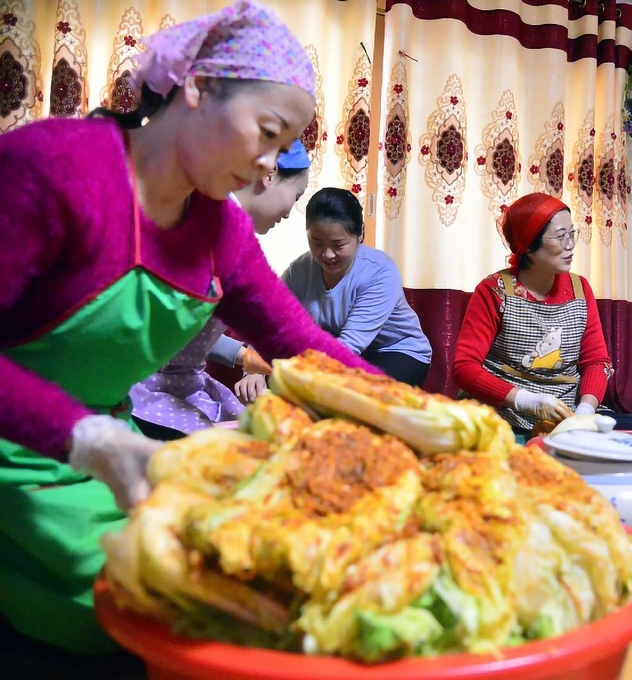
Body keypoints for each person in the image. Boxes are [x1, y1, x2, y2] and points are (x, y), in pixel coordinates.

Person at [0, 1, 380, 655]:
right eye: (267, 132)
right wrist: (85, 438)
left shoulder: (219, 228)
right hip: (21, 459)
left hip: (106, 455)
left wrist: (432, 420)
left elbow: (304, 345)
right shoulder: (56, 168)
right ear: (198, 88)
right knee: (180, 604)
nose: (269, 166)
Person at [129, 139, 310, 439]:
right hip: (145, 389)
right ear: (269, 174)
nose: (291, 212)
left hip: (185, 385)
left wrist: (246, 357)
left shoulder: (230, 234)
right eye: (297, 195)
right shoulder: (211, 233)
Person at [453, 192, 632, 439]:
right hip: (502, 409)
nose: (570, 245)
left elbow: (596, 361)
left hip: (565, 411)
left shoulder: (580, 289)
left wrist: (585, 410)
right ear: (529, 247)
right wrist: (526, 401)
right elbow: (464, 368)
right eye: (560, 236)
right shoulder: (494, 290)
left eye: (572, 234)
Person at [279, 187, 433, 386]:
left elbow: (349, 346)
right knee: (273, 377)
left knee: (352, 394)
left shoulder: (380, 272)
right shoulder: (299, 271)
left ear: (360, 234)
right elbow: (273, 319)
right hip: (338, 351)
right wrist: (254, 369)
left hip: (395, 351)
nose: (327, 254)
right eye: (317, 243)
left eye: (338, 245)